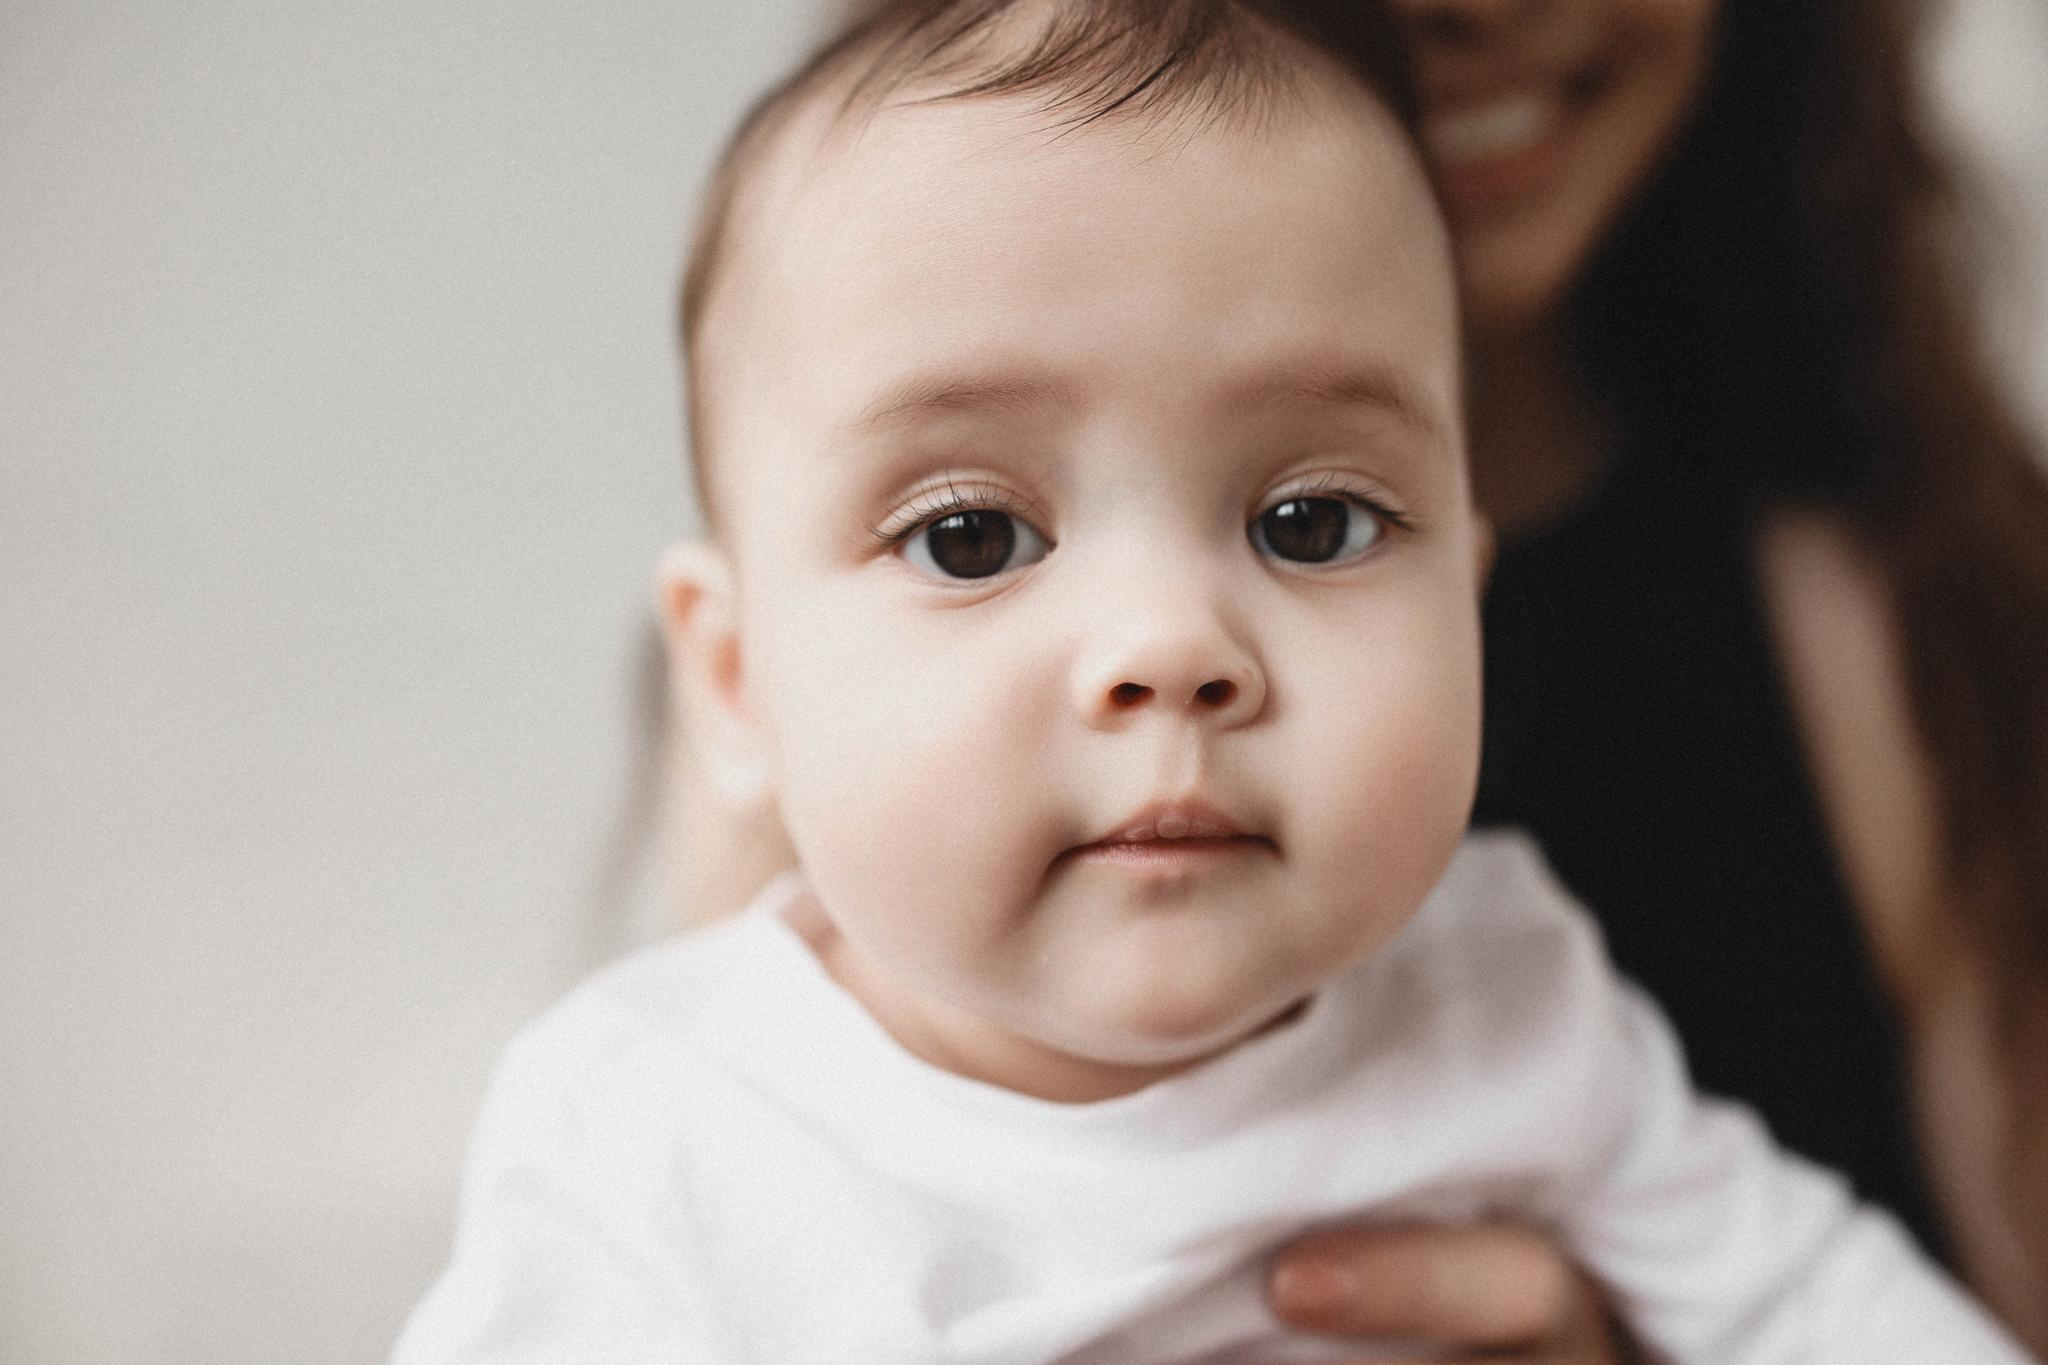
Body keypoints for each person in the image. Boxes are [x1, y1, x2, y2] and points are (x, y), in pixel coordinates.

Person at [396, 2, 2032, 1360]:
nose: (1172, 643)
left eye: (1310, 522)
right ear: (739, 681)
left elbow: (1820, 1300)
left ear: (1470, 594)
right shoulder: (666, 1141)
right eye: (972, 538)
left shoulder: (1513, 993)